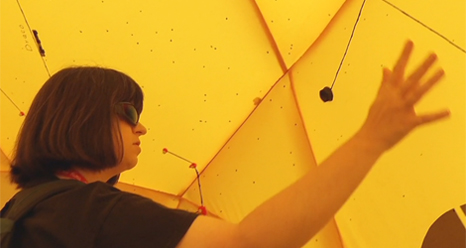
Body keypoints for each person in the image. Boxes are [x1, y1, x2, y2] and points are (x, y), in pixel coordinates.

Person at [3, 40, 449, 248]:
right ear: (82, 117)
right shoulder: (89, 212)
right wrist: (372, 138)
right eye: (130, 113)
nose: (141, 130)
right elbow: (250, 243)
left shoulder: (28, 215)